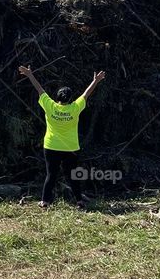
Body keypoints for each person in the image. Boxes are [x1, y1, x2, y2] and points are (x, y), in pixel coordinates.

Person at [18, 65, 106, 207]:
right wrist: (96, 81)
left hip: (51, 146)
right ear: (70, 98)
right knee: (72, 176)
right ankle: (79, 201)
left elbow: (39, 89)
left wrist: (29, 75)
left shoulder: (50, 106)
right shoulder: (75, 108)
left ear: (57, 97)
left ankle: (45, 201)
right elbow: (86, 94)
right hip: (71, 148)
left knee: (51, 175)